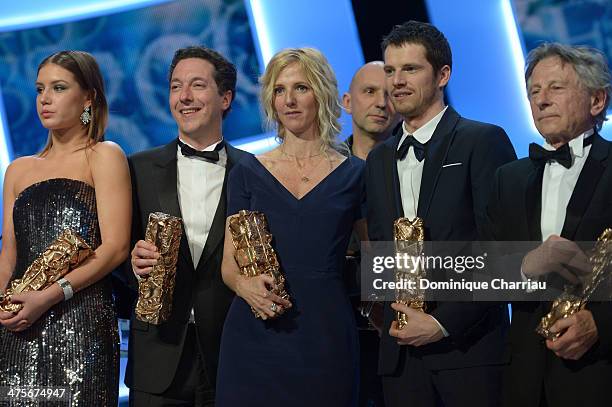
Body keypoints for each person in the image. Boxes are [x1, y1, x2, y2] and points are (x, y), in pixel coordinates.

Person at [366, 21, 516, 407]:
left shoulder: (483, 140)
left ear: (443, 75)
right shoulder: (379, 158)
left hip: (470, 355)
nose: (397, 81)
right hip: (400, 361)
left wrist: (441, 323)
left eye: (410, 69)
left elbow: (502, 251)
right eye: (390, 70)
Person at [215, 47, 366, 407]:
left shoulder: (355, 174)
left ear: (322, 93)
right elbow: (228, 265)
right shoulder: (247, 173)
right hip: (254, 335)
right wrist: (244, 285)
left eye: (301, 88)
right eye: (279, 91)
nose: (289, 100)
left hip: (325, 336)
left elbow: (377, 256)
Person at [0, 50, 131, 406]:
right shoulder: (17, 170)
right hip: (19, 325)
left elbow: (116, 247)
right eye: (40, 89)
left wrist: (50, 295)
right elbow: (8, 256)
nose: (45, 98)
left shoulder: (104, 156)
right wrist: (3, 307)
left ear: (88, 97)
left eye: (58, 88)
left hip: (82, 324)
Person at [486, 43, 612, 407]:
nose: (541, 100)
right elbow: (484, 270)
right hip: (525, 381)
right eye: (534, 92)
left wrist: (602, 324)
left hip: (600, 372)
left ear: (597, 100)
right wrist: (526, 266)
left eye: (555, 88)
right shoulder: (507, 179)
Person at [125, 46, 248, 406]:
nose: (185, 97)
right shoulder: (137, 169)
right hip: (156, 356)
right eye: (176, 86)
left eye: (197, 85)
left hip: (230, 355)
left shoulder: (255, 172)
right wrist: (132, 262)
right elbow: (114, 253)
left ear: (225, 98)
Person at [342, 60, 397, 407]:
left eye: (390, 94)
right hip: (340, 334)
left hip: (404, 329)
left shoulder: (417, 168)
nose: (381, 102)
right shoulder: (321, 170)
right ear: (347, 101)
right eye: (370, 92)